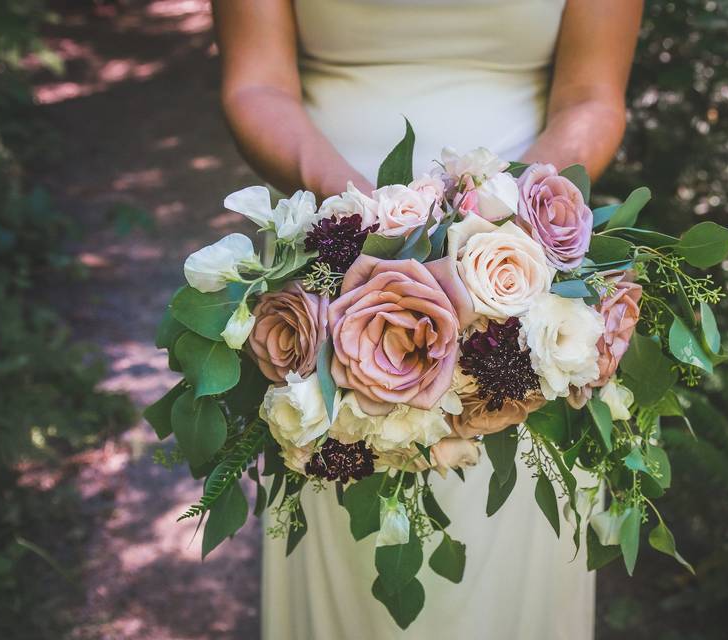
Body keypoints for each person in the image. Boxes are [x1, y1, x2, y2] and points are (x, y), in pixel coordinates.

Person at [211, 1, 642, 638]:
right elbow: (256, 84)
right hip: (331, 266)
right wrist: (358, 218)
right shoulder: (340, 235)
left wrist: (505, 224)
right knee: (351, 545)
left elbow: (591, 97)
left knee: (514, 544)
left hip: (523, 274)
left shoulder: (520, 254)